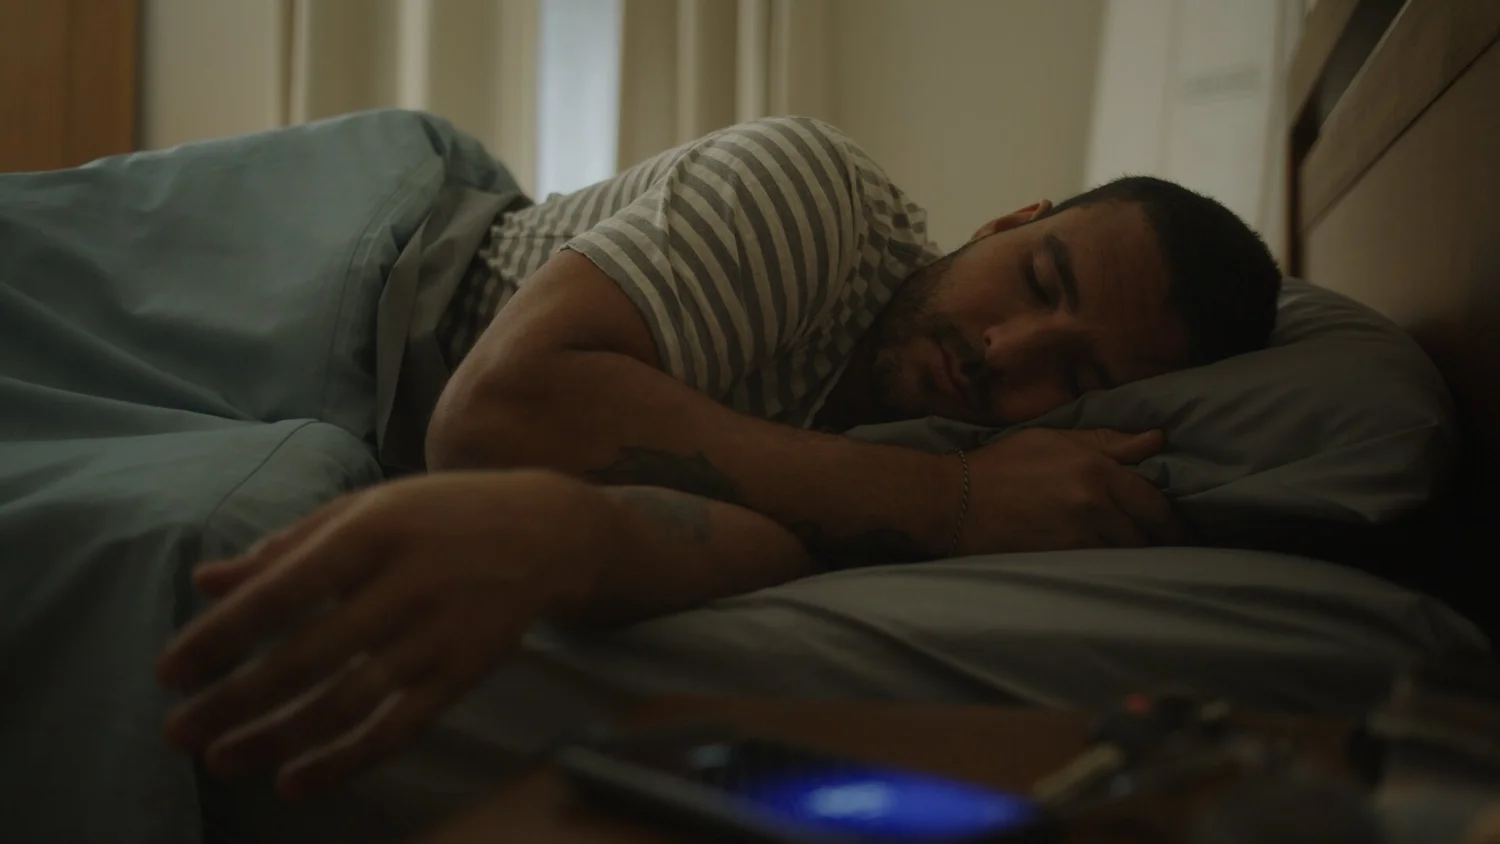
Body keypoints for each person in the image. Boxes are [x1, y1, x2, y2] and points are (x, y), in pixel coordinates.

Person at [155, 116, 1282, 798]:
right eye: (1037, 282)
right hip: (348, 273)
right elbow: (492, 417)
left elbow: (738, 528)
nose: (1005, 352)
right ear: (1005, 222)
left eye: (1074, 375)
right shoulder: (817, 197)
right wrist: (951, 497)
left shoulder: (907, 461)